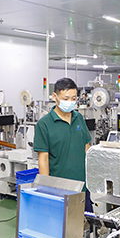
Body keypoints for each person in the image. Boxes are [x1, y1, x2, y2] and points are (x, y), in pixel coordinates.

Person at [34, 78, 93, 210]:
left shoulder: (79, 118)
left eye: (74, 98)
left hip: (82, 187)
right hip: (59, 189)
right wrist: (46, 189)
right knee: (62, 222)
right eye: (66, 98)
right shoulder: (44, 124)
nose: (70, 102)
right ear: (55, 97)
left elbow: (86, 147)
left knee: (87, 221)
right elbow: (43, 159)